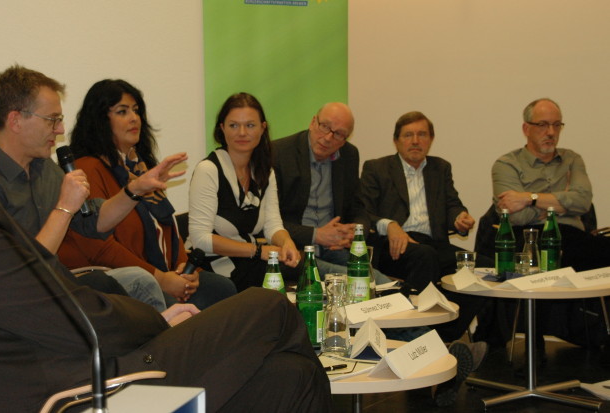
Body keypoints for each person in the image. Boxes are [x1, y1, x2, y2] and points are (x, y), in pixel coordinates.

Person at [0, 68, 333, 413]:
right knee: (269, 307)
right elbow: (71, 316)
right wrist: (157, 321)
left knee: (290, 375)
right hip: (80, 390)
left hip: (57, 370)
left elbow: (45, 294)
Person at [0, 65, 175, 311]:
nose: (60, 130)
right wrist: (64, 207)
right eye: (52, 120)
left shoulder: (46, 168)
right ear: (15, 120)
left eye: (60, 120)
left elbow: (92, 222)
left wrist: (135, 189)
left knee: (141, 283)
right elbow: (24, 271)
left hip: (60, 286)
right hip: (22, 301)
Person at [57, 79, 237, 308]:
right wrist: (161, 279)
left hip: (162, 273)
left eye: (136, 110)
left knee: (221, 288)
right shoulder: (87, 169)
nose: (134, 118)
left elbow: (166, 227)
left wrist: (185, 271)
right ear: (100, 120)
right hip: (121, 282)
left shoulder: (139, 166)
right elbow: (101, 248)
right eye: (122, 111)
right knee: (184, 305)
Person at [359, 111, 488, 406]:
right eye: (408, 135)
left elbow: (452, 204)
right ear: (396, 141)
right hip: (394, 245)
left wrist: (460, 217)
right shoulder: (377, 168)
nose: (415, 141)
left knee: (478, 266)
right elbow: (364, 211)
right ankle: (434, 351)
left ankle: (442, 340)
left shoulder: (440, 168)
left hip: (433, 243)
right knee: (425, 257)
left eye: (422, 135)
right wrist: (390, 225)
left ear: (431, 140)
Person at [187, 93, 301, 291]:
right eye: (233, 125)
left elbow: (272, 225)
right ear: (222, 128)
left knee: (303, 268)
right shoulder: (209, 170)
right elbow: (200, 239)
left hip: (249, 260)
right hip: (211, 265)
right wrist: (257, 251)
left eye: (250, 125)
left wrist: (287, 243)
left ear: (262, 128)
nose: (241, 132)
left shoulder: (265, 171)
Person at [272, 102, 391, 284]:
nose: (328, 137)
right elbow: (269, 221)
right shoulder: (279, 153)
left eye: (338, 134)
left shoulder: (349, 155)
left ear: (345, 139)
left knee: (378, 280)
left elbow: (358, 207)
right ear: (313, 122)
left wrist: (355, 232)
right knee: (365, 281)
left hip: (334, 248)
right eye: (325, 126)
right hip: (296, 250)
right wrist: (316, 235)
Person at [492, 98, 610, 270]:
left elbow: (583, 202)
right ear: (526, 129)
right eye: (543, 125)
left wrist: (529, 198)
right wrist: (563, 205)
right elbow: (517, 216)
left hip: (573, 236)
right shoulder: (506, 164)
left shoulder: (572, 159)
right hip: (530, 237)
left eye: (557, 125)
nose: (551, 132)